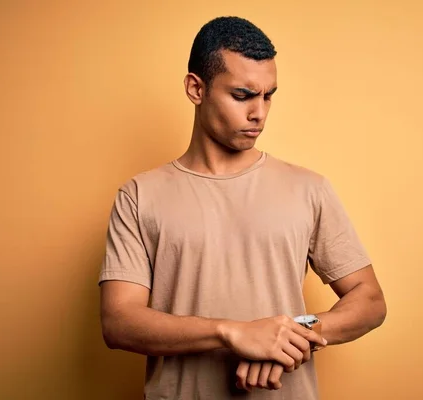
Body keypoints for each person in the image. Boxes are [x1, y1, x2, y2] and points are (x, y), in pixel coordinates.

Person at [98, 16, 387, 400]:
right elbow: (119, 323)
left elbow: (369, 300)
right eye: (242, 95)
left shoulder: (308, 188)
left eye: (268, 96)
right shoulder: (139, 196)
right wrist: (232, 332)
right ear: (195, 88)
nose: (259, 113)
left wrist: (293, 334)